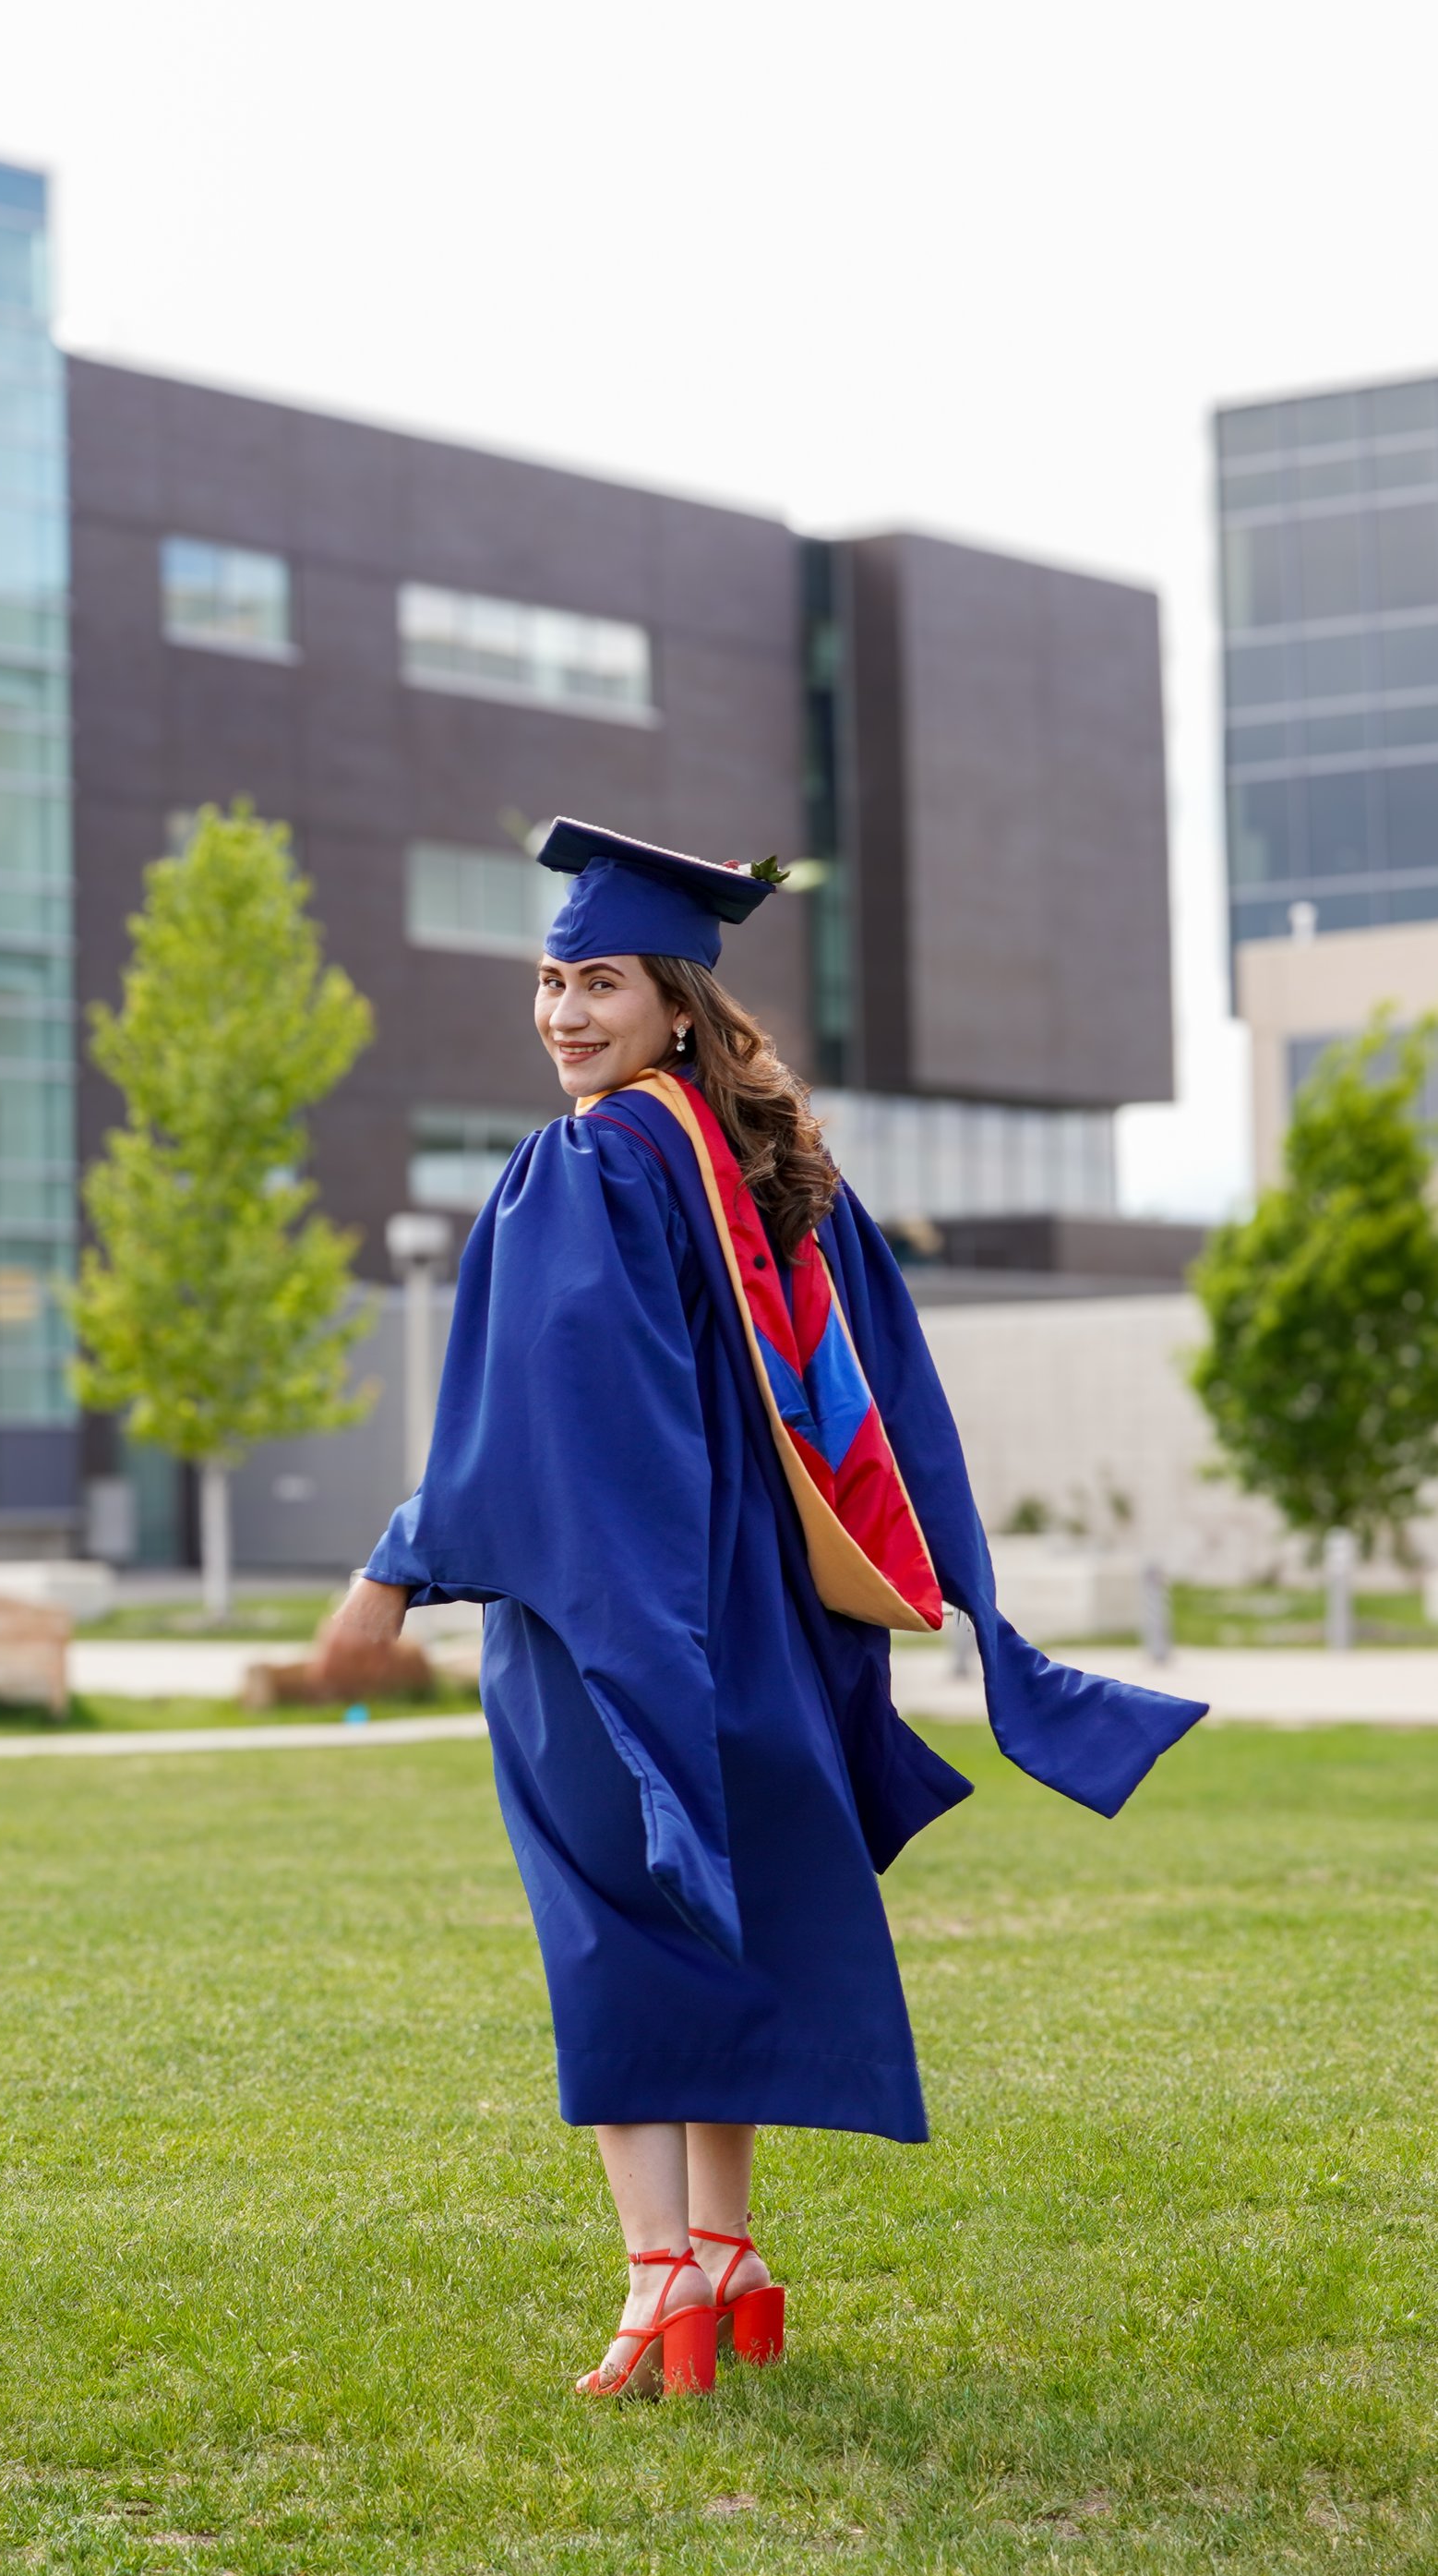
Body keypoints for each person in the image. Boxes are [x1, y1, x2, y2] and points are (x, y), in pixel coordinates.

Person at [314, 816, 1204, 2401]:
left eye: (597, 981)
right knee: (707, 1904)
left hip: (617, 1605)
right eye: (547, 979)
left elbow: (548, 1411)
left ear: (673, 1001)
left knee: (611, 1917)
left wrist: (395, 1561)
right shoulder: (768, 1167)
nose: (563, 1011)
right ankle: (726, 2256)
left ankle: (659, 2277)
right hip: (759, 1614)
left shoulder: (589, 1162)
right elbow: (880, 1401)